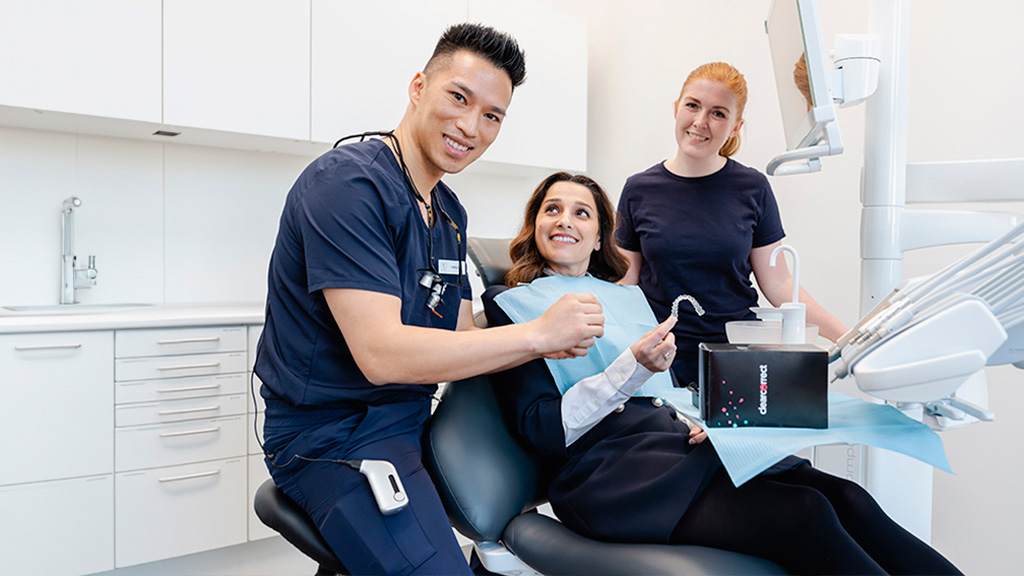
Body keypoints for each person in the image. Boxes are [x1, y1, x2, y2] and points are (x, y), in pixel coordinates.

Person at [254, 24, 605, 576]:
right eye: (459, 98)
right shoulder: (349, 185)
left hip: (411, 421)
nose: (471, 126)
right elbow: (382, 355)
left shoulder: (448, 211)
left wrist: (556, 344)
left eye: (492, 116)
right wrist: (537, 335)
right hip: (332, 435)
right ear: (419, 87)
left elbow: (462, 337)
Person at [484, 172, 962, 575]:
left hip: (673, 446)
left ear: (599, 235)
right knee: (806, 513)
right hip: (608, 475)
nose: (565, 220)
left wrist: (699, 421)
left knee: (847, 496)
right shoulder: (512, 306)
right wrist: (630, 368)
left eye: (581, 213)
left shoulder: (627, 298)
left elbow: (661, 392)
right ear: (534, 224)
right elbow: (542, 429)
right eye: (552, 209)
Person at [616, 61, 847, 390]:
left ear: (736, 127)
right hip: (658, 361)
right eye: (692, 105)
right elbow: (623, 285)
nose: (700, 121)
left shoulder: (752, 188)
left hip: (735, 361)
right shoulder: (639, 190)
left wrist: (847, 337)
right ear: (676, 108)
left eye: (718, 113)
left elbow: (780, 284)